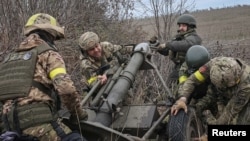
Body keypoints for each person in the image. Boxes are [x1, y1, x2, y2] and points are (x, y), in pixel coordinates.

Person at [0, 13, 88, 141]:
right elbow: (66, 89)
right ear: (50, 34)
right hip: (38, 127)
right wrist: (78, 114)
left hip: (7, 131)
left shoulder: (7, 60)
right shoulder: (48, 54)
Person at [171, 56, 250, 125]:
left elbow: (229, 113)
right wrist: (182, 99)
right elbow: (192, 80)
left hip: (244, 98)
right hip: (221, 93)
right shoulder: (212, 65)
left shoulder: (245, 86)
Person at [150, 14, 202, 86]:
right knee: (170, 86)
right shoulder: (178, 38)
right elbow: (167, 51)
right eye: (180, 26)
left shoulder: (195, 38)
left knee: (186, 89)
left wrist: (168, 44)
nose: (180, 28)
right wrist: (157, 45)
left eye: (183, 26)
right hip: (178, 68)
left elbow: (186, 45)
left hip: (191, 69)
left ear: (190, 27)